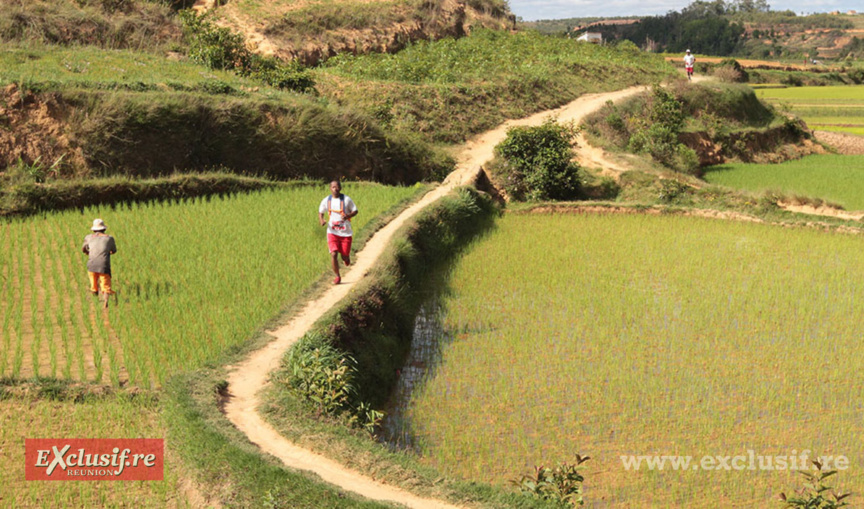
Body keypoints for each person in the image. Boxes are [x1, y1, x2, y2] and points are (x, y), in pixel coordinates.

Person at [318, 181, 358, 285]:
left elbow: (355, 210)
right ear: (330, 188)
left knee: (344, 256)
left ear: (340, 188)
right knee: (334, 254)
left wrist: (348, 216)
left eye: (337, 187)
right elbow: (321, 212)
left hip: (345, 233)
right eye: (333, 187)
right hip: (332, 232)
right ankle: (337, 276)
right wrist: (321, 220)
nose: (335, 189)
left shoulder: (346, 200)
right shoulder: (326, 200)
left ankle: (346, 257)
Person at [82, 218, 117, 299]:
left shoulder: (88, 237)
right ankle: (106, 301)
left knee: (93, 285)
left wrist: (88, 252)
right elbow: (114, 250)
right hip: (103, 265)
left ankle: (95, 299)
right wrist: (108, 252)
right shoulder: (109, 238)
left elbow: (83, 249)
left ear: (93, 230)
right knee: (105, 286)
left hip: (91, 264)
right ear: (104, 229)